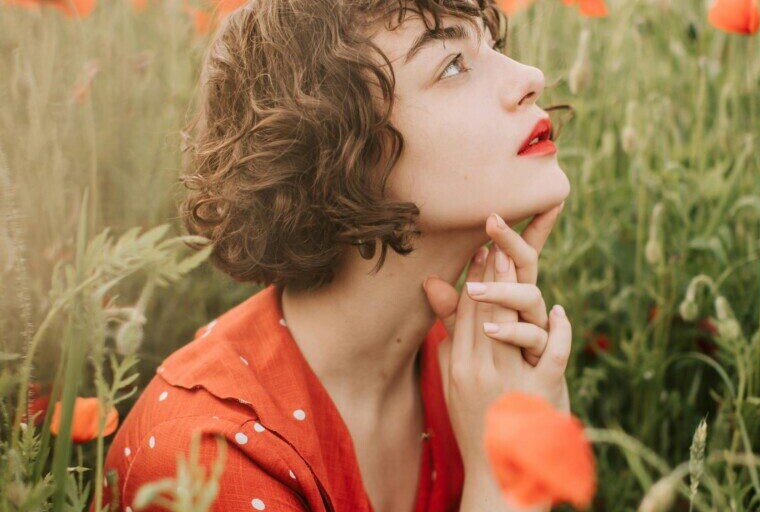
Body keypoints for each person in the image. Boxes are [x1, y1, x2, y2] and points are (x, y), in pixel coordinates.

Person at [92, 0, 573, 510]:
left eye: (493, 46)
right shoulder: (206, 458)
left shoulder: (479, 373)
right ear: (337, 150)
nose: (532, 77)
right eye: (452, 64)